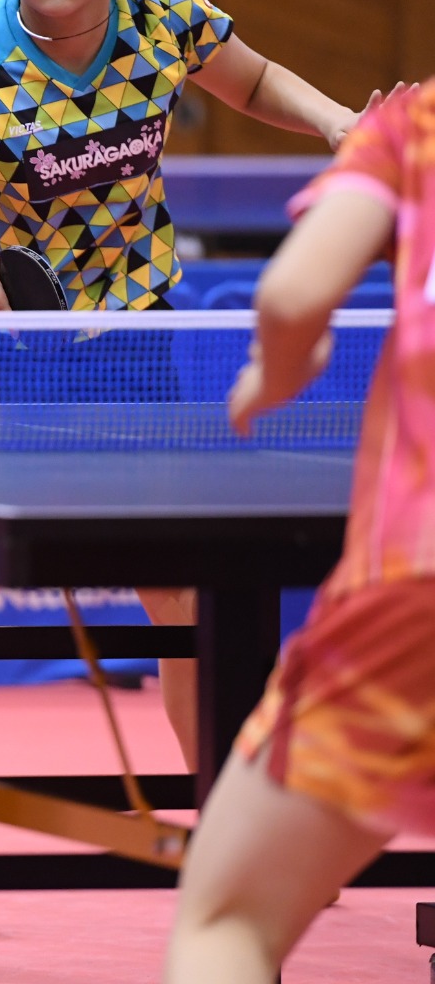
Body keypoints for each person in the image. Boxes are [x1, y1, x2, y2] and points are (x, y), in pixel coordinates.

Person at [0, 0, 403, 854]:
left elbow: (251, 80)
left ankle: (231, 825)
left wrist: (335, 122)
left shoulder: (164, 16)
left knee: (180, 588)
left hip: (130, 342)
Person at [165, 79, 428, 983]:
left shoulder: (417, 125)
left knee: (227, 921)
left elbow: (291, 294)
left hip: (416, 593)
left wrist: (280, 375)